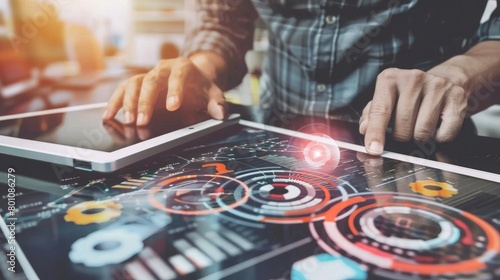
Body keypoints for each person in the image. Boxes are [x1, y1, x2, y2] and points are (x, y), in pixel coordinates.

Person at [102, 0, 500, 155]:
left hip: (417, 145)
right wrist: (201, 68)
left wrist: (462, 73)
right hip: (271, 138)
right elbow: (224, 20)